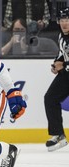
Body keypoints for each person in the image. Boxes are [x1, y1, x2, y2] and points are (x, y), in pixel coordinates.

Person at [44, 7, 69, 152]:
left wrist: (63, 65)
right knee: (50, 98)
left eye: (67, 20)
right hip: (66, 75)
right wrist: (56, 63)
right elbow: (62, 53)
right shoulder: (61, 35)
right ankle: (59, 134)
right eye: (62, 20)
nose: (64, 23)